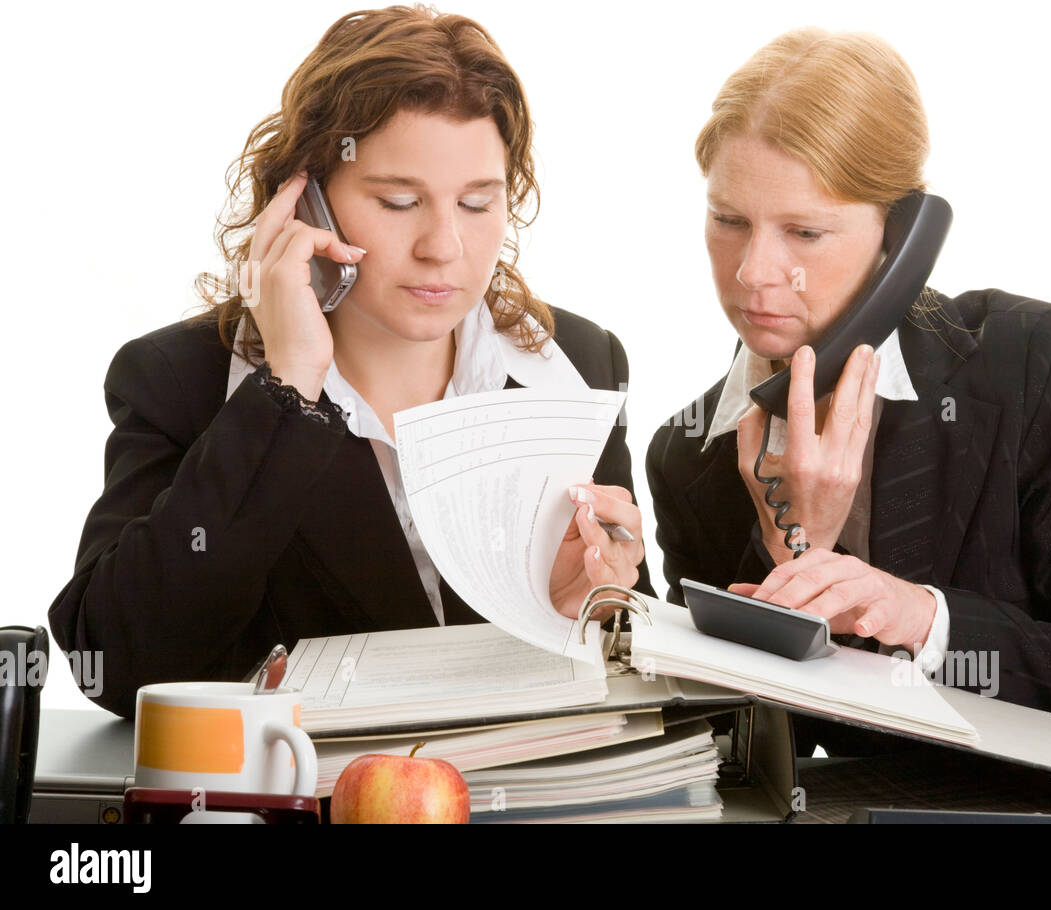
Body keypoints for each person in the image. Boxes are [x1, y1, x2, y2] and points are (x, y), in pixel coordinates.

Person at [645, 26, 1051, 818]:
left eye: (804, 232)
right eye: (728, 220)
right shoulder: (689, 454)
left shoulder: (1033, 367)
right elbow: (739, 770)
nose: (754, 272)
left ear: (901, 238)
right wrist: (791, 546)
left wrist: (925, 619)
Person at [48, 6, 651, 721]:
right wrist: (287, 389)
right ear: (308, 201)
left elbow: (641, 655)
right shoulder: (182, 382)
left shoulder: (575, 363)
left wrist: (592, 610)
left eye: (477, 202)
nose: (444, 246)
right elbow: (114, 665)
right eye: (399, 201)